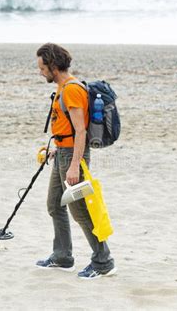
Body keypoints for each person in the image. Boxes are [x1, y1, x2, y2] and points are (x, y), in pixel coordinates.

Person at [35, 43, 116, 279]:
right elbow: (67, 127)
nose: (40, 72)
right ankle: (62, 256)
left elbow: (80, 132)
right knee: (54, 204)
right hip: (62, 151)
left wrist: (73, 165)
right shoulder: (62, 87)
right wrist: (57, 150)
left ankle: (104, 261)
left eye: (42, 67)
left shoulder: (71, 90)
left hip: (73, 156)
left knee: (80, 211)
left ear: (52, 66)